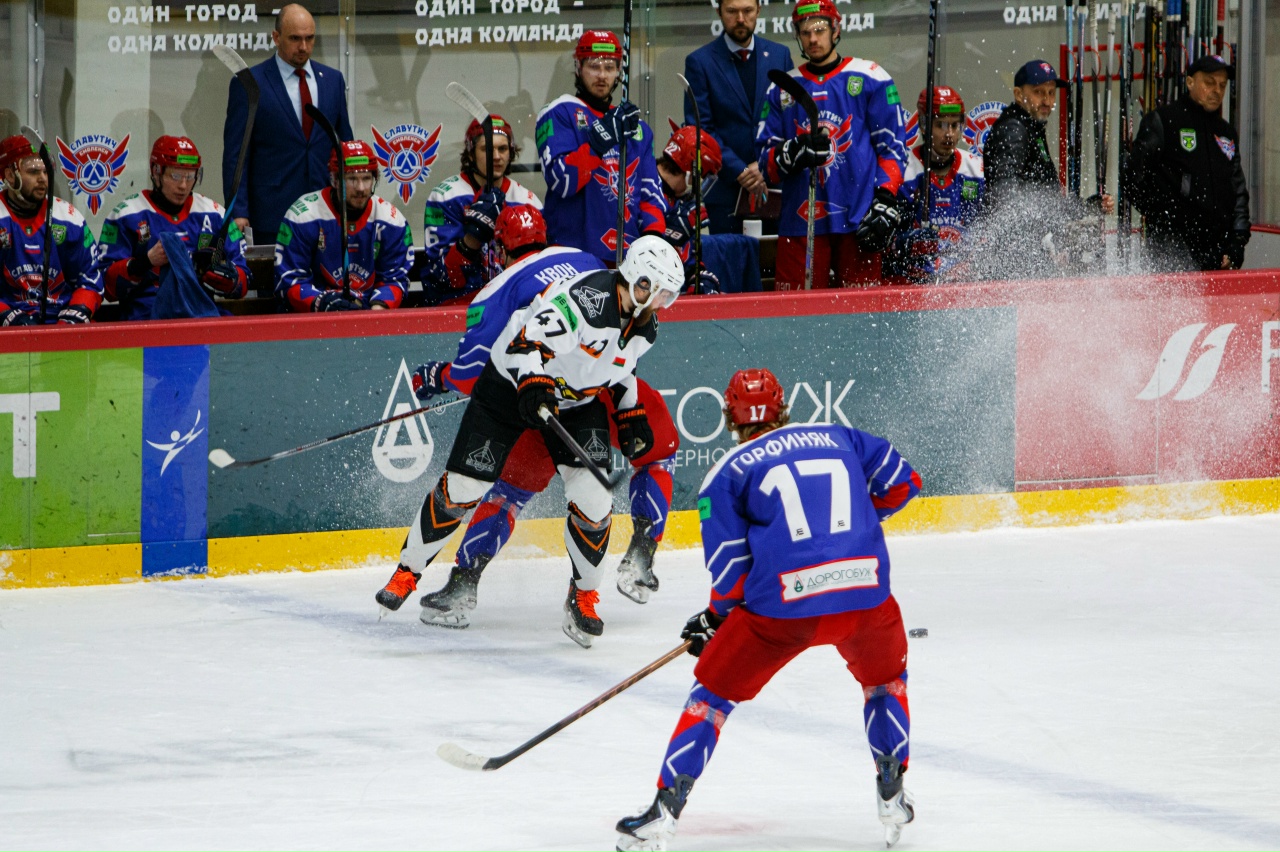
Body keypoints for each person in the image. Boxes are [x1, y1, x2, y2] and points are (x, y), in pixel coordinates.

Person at [615, 368, 922, 852]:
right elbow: (905, 483)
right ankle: (893, 792)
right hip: (864, 597)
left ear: (728, 417)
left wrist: (717, 618)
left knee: (710, 701)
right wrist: (852, 529)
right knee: (884, 684)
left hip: (782, 613)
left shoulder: (726, 473)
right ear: (783, 407)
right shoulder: (842, 436)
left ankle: (663, 812)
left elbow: (730, 568)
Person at [373, 235, 685, 648]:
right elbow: (527, 342)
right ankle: (407, 572)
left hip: (577, 403)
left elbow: (621, 365)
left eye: (669, 296)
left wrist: (629, 412)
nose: (662, 302)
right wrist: (534, 381)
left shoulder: (647, 324)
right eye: (658, 291)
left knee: (595, 502)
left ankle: (584, 598)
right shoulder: (584, 301)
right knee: (464, 488)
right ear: (637, 280)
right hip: (509, 386)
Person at [756, 0, 908, 289]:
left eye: (820, 30)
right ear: (797, 35)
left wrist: (885, 197)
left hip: (859, 221)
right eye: (805, 32)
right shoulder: (782, 88)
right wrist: (793, 152)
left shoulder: (871, 77)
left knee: (862, 314)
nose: (813, 38)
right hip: (801, 224)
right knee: (796, 313)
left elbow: (892, 147)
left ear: (835, 30)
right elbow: (766, 161)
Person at [222, 3, 353, 244]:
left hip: (326, 214)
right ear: (276, 37)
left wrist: (352, 199)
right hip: (271, 216)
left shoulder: (333, 81)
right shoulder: (250, 83)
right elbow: (236, 155)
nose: (303, 47)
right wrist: (238, 210)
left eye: (309, 38)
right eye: (295, 38)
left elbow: (344, 144)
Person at [536, 30, 667, 265]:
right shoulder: (558, 112)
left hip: (627, 260)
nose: (602, 75)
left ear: (619, 72)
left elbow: (650, 194)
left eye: (609, 67)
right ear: (578, 67)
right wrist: (598, 142)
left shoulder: (637, 129)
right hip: (571, 255)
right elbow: (562, 181)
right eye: (594, 66)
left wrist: (653, 244)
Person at [979, 59, 1114, 277]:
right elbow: (1005, 197)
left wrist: (1088, 206)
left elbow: (1046, 197)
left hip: (1028, 251)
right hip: (1016, 258)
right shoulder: (1013, 130)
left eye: (1051, 93)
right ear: (1018, 94)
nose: (1047, 100)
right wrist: (1043, 230)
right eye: (1038, 92)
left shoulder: (1031, 127)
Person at [1122, 54, 1250, 271]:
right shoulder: (1164, 121)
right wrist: (1161, 216)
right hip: (1171, 254)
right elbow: (1131, 175)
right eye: (1209, 82)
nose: (1217, 90)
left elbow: (1238, 192)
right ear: (1190, 82)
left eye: (1222, 85)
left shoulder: (1226, 132)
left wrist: (1237, 241)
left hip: (1218, 255)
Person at [100, 136, 249, 320]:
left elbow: (244, 280)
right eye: (175, 176)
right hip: (146, 317)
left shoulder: (216, 215)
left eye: (190, 176)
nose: (183, 185)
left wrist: (228, 279)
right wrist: (145, 262)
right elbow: (107, 288)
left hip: (201, 314)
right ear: (156, 172)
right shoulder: (125, 215)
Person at [681, 0, 793, 234]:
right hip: (725, 192)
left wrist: (763, 166)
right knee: (729, 256)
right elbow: (701, 129)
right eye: (732, 11)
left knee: (775, 256)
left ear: (758, 10)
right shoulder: (699, 62)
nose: (740, 19)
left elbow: (789, 119)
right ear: (719, 12)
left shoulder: (780, 56)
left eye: (747, 10)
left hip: (774, 187)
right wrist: (740, 170)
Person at [275, 140, 412, 312]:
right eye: (352, 179)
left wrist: (376, 312)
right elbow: (289, 280)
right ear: (335, 180)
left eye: (366, 179)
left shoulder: (391, 221)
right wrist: (323, 304)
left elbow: (394, 280)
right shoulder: (303, 216)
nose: (361, 188)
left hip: (368, 314)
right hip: (315, 316)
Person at [420, 115, 542, 306]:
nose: (496, 156)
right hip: (459, 307)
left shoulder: (528, 201)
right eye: (487, 149)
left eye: (503, 149)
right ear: (470, 154)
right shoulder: (445, 196)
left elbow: (536, 270)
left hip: (510, 304)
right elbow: (441, 278)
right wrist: (471, 240)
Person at [885, 87, 985, 285]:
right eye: (941, 125)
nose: (949, 134)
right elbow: (884, 243)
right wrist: (906, 243)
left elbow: (986, 230)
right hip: (911, 284)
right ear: (923, 124)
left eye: (955, 125)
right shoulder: (903, 171)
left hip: (963, 284)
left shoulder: (976, 170)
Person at [0, 135, 103, 326]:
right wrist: (7, 317)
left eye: (46, 171)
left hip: (60, 319)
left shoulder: (69, 219)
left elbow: (90, 278)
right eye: (33, 172)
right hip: (9, 327)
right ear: (10, 175)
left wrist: (76, 314)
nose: (42, 178)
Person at [655, 124, 724, 293]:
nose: (698, 186)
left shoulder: (679, 202)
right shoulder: (643, 185)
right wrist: (672, 232)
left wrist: (700, 278)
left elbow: (690, 260)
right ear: (689, 171)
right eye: (700, 177)